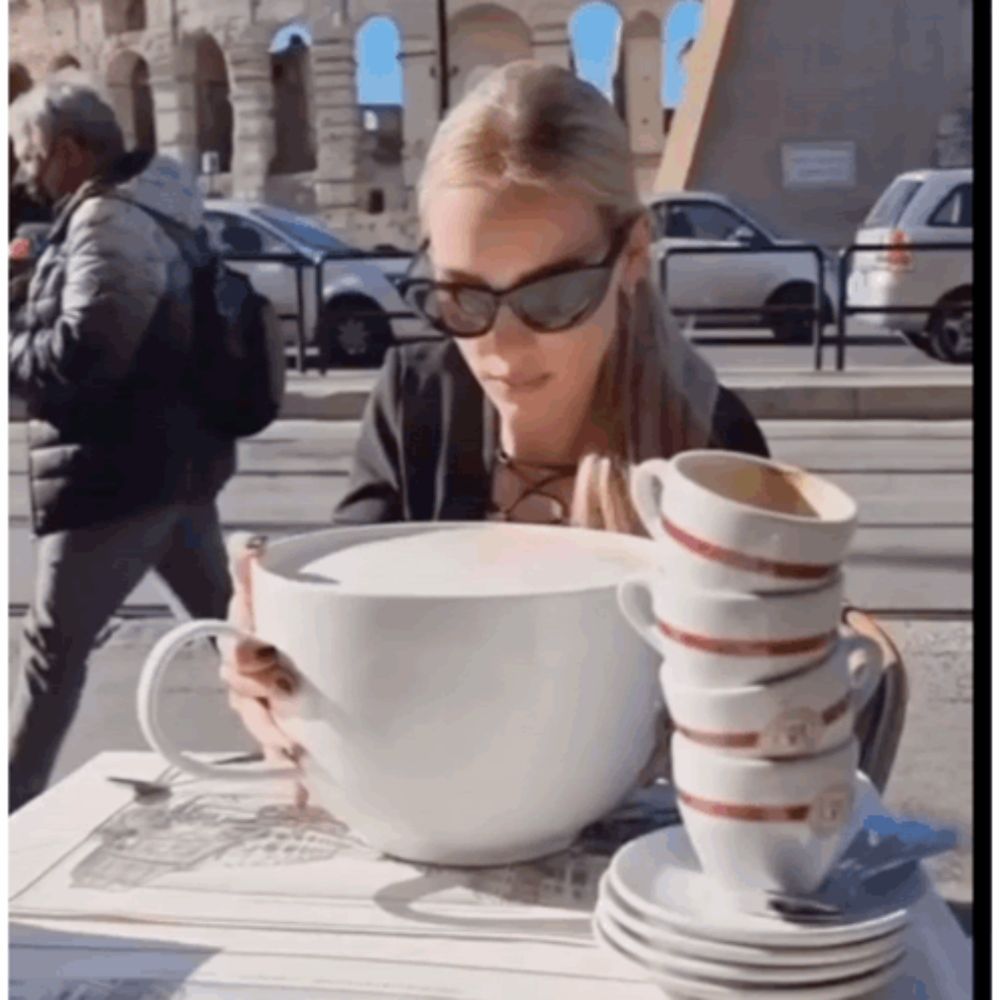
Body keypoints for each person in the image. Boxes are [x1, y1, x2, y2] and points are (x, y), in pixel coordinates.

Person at [219, 61, 769, 789]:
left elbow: (761, 722)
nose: (501, 349)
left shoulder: (710, 446)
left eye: (555, 296)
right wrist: (270, 665)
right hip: (435, 821)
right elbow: (344, 622)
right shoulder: (416, 404)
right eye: (462, 299)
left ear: (633, 255)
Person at [8, 77, 237, 812]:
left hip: (115, 477)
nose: (23, 173)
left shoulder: (109, 220)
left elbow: (86, 356)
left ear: (71, 151)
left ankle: (11, 820)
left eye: (29, 154)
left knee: (51, 657)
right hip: (175, 466)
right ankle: (328, 761)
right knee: (232, 635)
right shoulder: (146, 210)